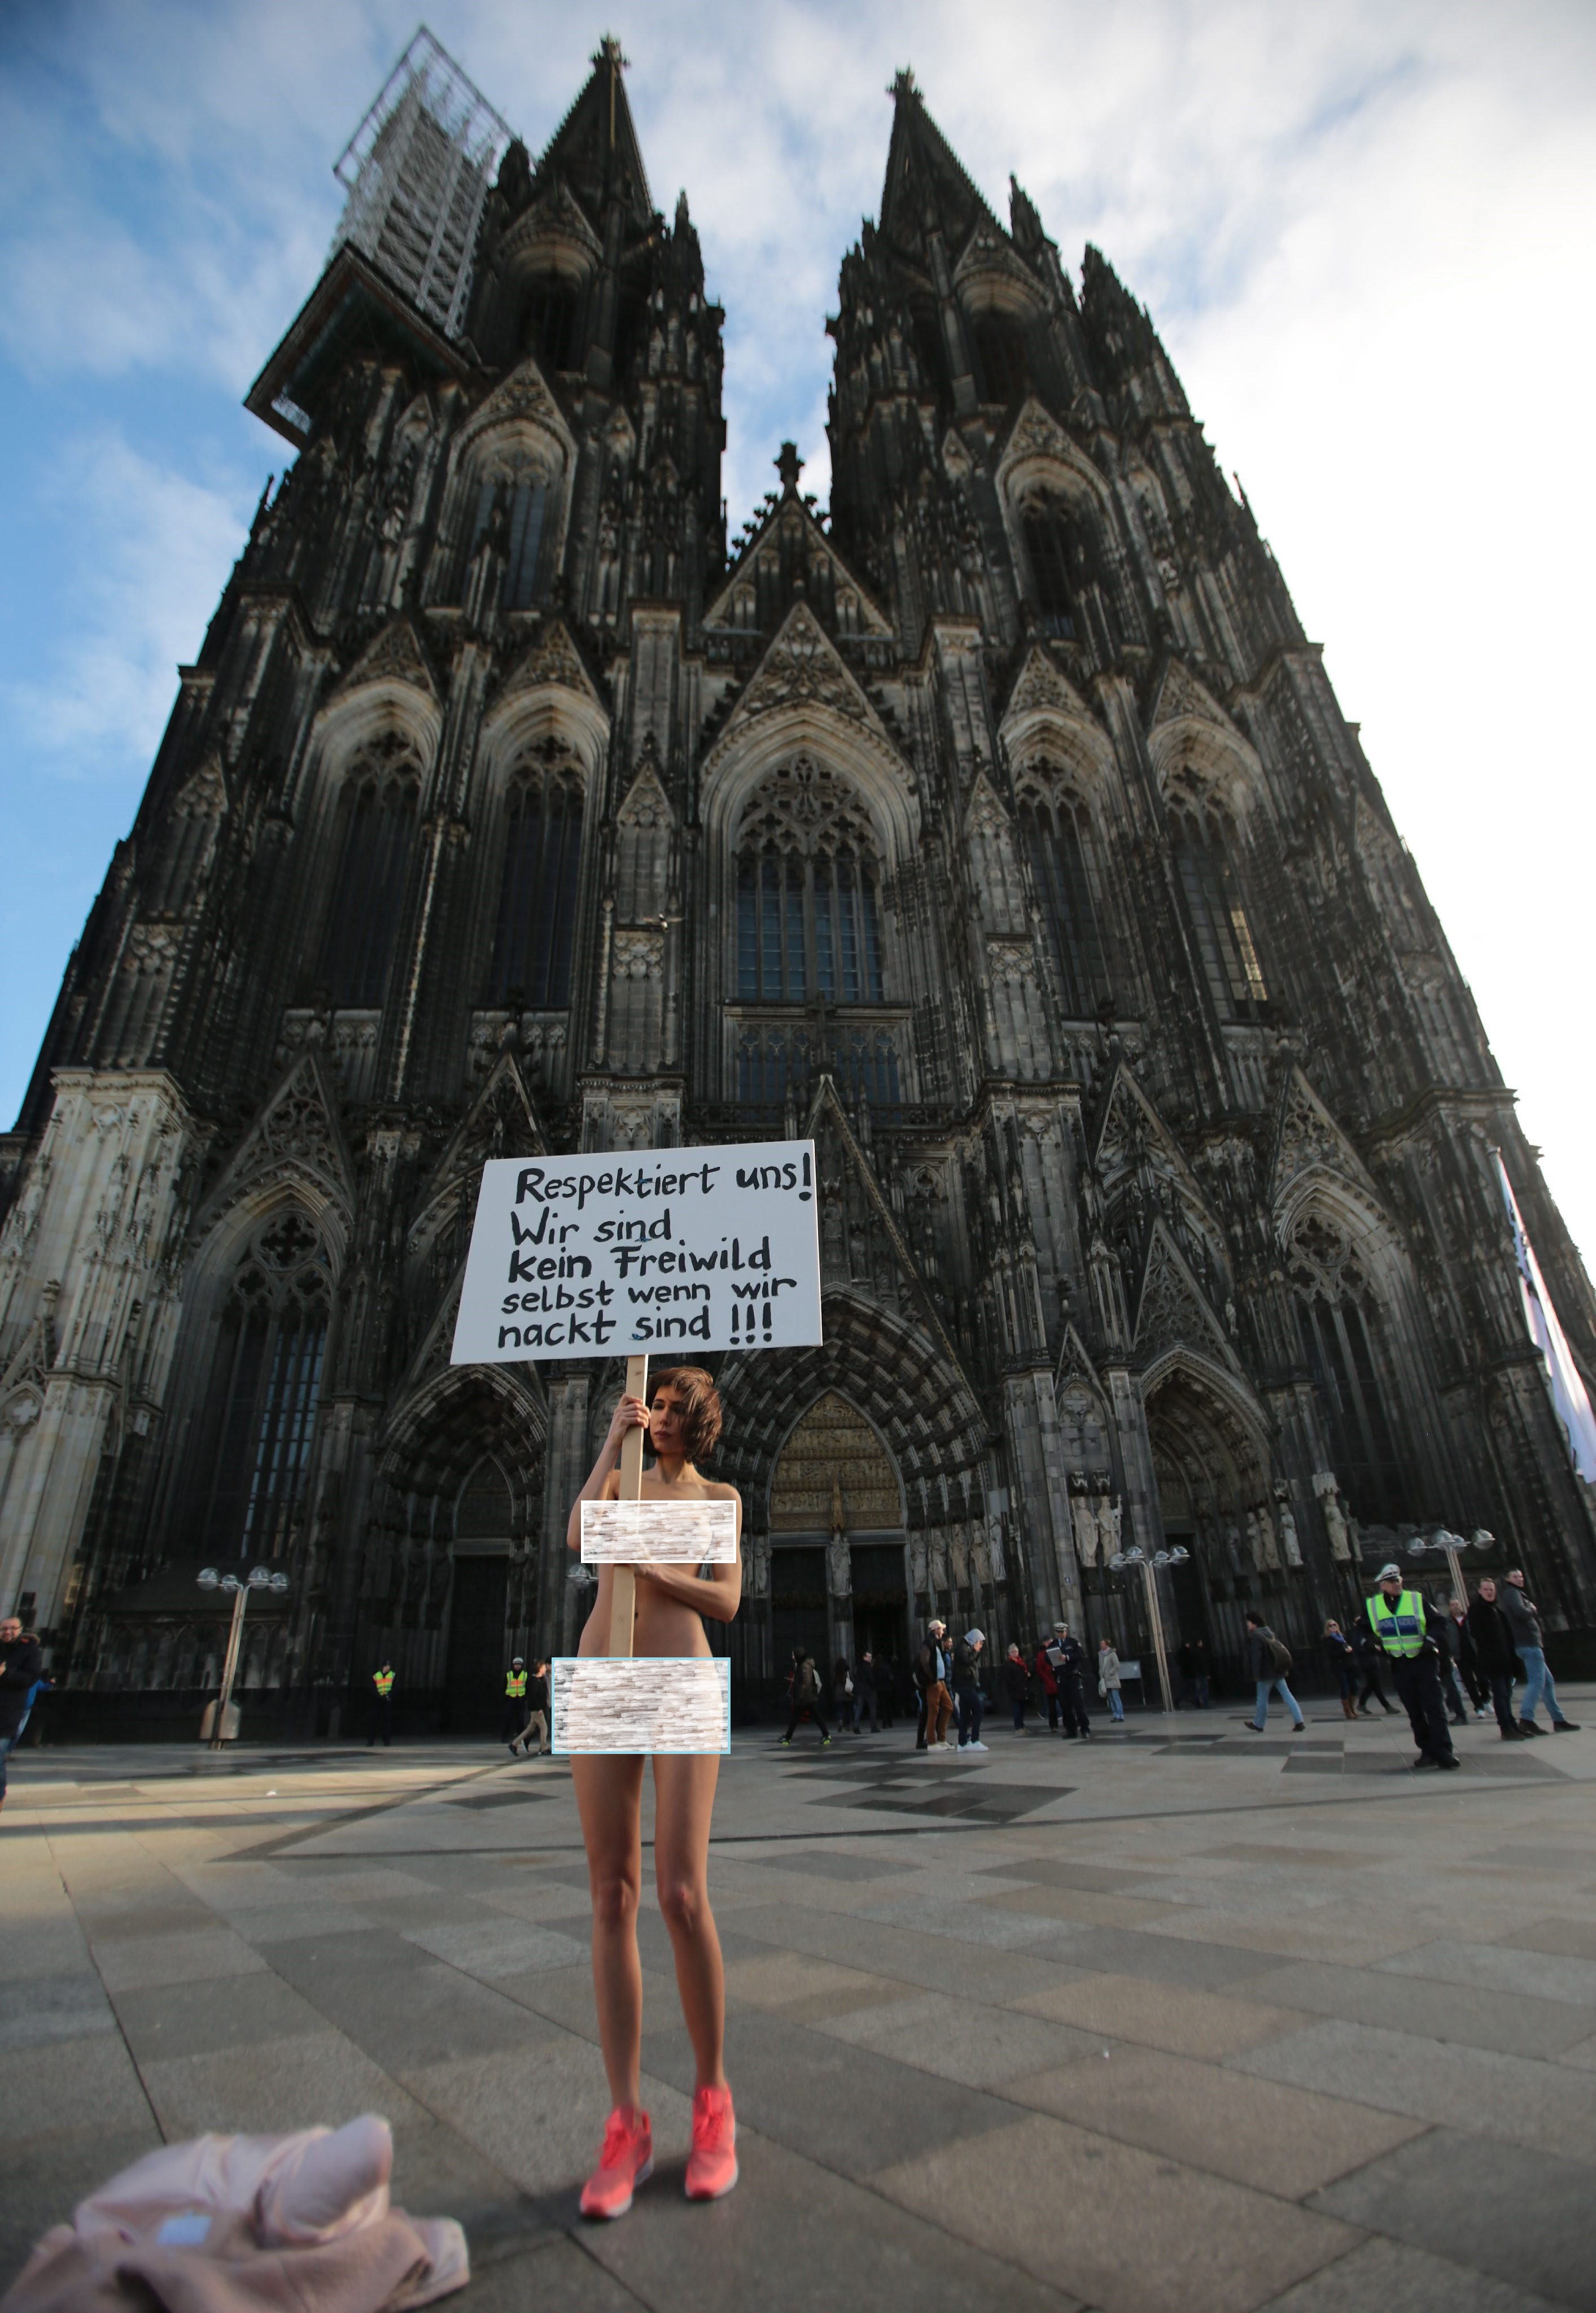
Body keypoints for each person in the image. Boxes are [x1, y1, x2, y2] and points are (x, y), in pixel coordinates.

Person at [565, 1365, 743, 2217]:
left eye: (675, 1409)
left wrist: (656, 1573)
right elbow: (578, 1537)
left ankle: (712, 2104)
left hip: (681, 1678)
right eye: (655, 1405)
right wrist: (610, 1438)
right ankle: (625, 2120)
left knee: (679, 1893)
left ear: (699, 1422)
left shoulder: (717, 1494)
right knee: (609, 1896)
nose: (661, 1417)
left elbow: (729, 1599)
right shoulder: (620, 1479)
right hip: (601, 1675)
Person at [1365, 1562, 1457, 1770]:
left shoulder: (1416, 1599)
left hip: (1423, 1660)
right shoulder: (1373, 1606)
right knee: (1415, 1711)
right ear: (1382, 1585)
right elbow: (1360, 1630)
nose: (1396, 1584)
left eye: (1398, 1580)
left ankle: (1444, 1752)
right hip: (1399, 1663)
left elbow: (1439, 1622)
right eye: (1391, 1581)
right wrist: (1367, 1642)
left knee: (1434, 1708)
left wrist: (1431, 1641)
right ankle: (1427, 1751)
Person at [1498, 1568, 1580, 1735]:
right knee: (1537, 1681)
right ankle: (1527, 1719)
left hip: (1528, 1643)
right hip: (1528, 1644)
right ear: (1508, 1579)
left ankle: (1558, 1720)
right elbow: (1521, 1613)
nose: (1520, 1579)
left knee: (1547, 1682)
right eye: (1515, 1577)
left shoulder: (1513, 1593)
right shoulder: (1512, 1593)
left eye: (1521, 1576)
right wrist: (1532, 1609)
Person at [1467, 1579, 1529, 1739]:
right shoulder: (1476, 1610)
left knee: (1507, 1693)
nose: (1489, 1592)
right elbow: (1477, 1633)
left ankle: (1512, 1724)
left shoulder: (1498, 1610)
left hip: (1506, 1658)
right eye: (1486, 1589)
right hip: (1493, 1659)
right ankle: (1506, 1728)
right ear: (1480, 1591)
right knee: (1500, 1694)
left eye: (1492, 1589)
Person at [0, 1614, 42, 1813]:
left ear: (20, 1630)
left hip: (8, 1712)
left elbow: (31, 1678)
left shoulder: (29, 1650)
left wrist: (5, 1674)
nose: (7, 1632)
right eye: (4, 1629)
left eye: (12, 1629)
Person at [1243, 1613, 1305, 1732]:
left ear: (1254, 1624)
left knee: (1262, 1698)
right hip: (1278, 1671)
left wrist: (1255, 1674)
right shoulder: (1270, 1633)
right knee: (1288, 1696)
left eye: (1249, 1622)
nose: (1247, 1624)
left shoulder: (1256, 1636)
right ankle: (1299, 1721)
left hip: (1266, 1673)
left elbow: (1256, 1657)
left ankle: (1259, 1724)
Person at [1446, 1598, 1489, 1717]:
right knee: (1469, 1683)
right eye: (1453, 1605)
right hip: (1460, 1656)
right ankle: (1479, 1706)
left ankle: (1485, 1699)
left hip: (1474, 1652)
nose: (1455, 1606)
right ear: (1449, 1607)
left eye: (1457, 1604)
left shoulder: (1469, 1618)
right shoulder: (1448, 1622)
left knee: (1483, 1679)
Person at [916, 1620, 955, 1751]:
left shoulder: (937, 1643)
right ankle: (932, 1742)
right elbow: (924, 1661)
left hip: (941, 1681)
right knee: (933, 1711)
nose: (943, 1631)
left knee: (949, 1707)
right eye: (941, 1629)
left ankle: (942, 1739)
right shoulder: (928, 1642)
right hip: (934, 1683)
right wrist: (932, 1678)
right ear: (935, 1630)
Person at [782, 1648, 833, 1747]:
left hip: (805, 1698)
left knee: (795, 1718)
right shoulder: (802, 1665)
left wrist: (800, 1695)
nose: (793, 1657)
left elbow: (806, 1682)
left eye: (794, 1655)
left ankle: (788, 1738)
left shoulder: (804, 1666)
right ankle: (826, 1735)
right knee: (815, 1717)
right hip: (807, 1698)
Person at [1432, 1605, 1471, 1728]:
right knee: (1448, 1687)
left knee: (1450, 1687)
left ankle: (1460, 1713)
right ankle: (1452, 1707)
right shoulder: (1439, 1625)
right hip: (1441, 1660)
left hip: (1441, 1661)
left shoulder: (1437, 1627)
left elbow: (1444, 1643)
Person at [952, 1628, 988, 1752]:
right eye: (980, 1642)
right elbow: (968, 1661)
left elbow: (971, 1661)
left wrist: (975, 1651)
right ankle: (974, 1740)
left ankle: (962, 1743)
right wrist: (975, 1650)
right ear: (975, 1640)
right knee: (979, 1709)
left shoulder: (965, 1647)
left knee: (965, 1715)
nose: (981, 1645)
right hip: (965, 1685)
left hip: (966, 1684)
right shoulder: (963, 1647)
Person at [1053, 1624, 1091, 1739]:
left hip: (1073, 1677)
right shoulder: (1054, 1644)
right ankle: (1071, 1730)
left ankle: (1085, 1729)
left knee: (1078, 1705)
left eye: (1062, 1632)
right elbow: (1046, 1657)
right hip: (1062, 1678)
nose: (1060, 1634)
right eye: (1058, 1632)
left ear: (1066, 1632)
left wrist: (1067, 1657)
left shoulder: (1073, 1642)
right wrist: (1052, 1659)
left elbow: (1080, 1655)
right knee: (1066, 1706)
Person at [1351, 1620, 1397, 1716]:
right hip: (1366, 1662)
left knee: (1372, 1685)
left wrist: (1375, 1647)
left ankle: (1362, 1704)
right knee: (1376, 1685)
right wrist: (1372, 1648)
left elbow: (1374, 1641)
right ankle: (1387, 1706)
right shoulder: (1357, 1633)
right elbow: (1359, 1648)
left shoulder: (1366, 1632)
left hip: (1373, 1661)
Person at [513, 1660, 550, 1757]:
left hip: (538, 1708)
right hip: (536, 1709)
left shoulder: (539, 1680)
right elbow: (533, 1696)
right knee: (544, 1727)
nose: (545, 1669)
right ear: (540, 1669)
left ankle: (514, 1744)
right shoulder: (534, 1681)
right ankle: (544, 1748)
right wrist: (539, 1709)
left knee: (530, 1729)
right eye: (544, 1667)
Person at [1324, 1620, 1357, 1721]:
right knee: (1345, 1687)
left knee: (1354, 1686)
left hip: (1348, 1665)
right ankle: (1348, 1711)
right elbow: (1331, 1654)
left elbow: (1348, 1649)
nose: (1333, 1627)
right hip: (1338, 1666)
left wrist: (1350, 1651)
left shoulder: (1342, 1637)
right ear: (1328, 1629)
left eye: (1335, 1625)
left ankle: (1352, 1708)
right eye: (1330, 1626)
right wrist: (1344, 1651)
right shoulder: (1328, 1640)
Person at [1033, 1631, 1061, 1731]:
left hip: (1058, 1680)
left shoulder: (1056, 1651)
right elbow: (1040, 1669)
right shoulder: (1041, 1655)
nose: (1049, 1643)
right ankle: (1054, 1726)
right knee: (1052, 1706)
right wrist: (1046, 1678)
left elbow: (1060, 1665)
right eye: (1047, 1641)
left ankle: (1068, 1723)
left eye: (1050, 1641)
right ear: (1044, 1643)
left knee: (1064, 1703)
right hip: (1049, 1682)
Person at [1003, 1642, 1031, 1731]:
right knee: (1017, 1710)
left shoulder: (1021, 1662)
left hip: (1023, 1689)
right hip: (1015, 1690)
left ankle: (1022, 1725)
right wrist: (1013, 1684)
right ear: (1009, 1653)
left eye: (1016, 1651)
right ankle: (1018, 1727)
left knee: (1023, 1709)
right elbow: (1007, 1677)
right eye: (1012, 1652)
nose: (1015, 1653)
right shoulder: (1008, 1663)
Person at [502, 1657, 529, 1748]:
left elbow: (527, 1687)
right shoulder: (509, 1675)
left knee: (520, 1720)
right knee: (508, 1718)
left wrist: (526, 1698)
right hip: (511, 1699)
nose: (518, 1666)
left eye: (519, 1665)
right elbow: (504, 1686)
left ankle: (521, 1738)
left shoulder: (525, 1675)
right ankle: (505, 1737)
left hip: (521, 1699)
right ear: (513, 1665)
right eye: (516, 1665)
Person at [1177, 1635, 1210, 1709]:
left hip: (1193, 1673)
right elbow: (1202, 1663)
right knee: (1203, 1688)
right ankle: (1202, 1703)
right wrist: (1206, 1673)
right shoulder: (1197, 1652)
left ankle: (1195, 1699)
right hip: (1194, 1673)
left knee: (1198, 1688)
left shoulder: (1191, 1652)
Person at [1096, 1636, 1125, 1723]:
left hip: (1112, 1679)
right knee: (1111, 1699)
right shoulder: (1101, 1655)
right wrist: (1101, 1674)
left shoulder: (1112, 1654)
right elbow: (1101, 1666)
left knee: (1116, 1698)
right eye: (1101, 1644)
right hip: (1105, 1680)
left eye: (1103, 1644)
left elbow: (1117, 1665)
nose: (1101, 1645)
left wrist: (1110, 1672)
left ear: (1107, 1644)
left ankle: (1120, 1715)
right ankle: (1115, 1715)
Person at [366, 1662, 395, 1747]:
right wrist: (378, 1696)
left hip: (387, 1700)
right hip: (378, 1701)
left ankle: (387, 1742)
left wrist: (389, 1695)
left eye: (389, 1666)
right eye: (386, 1666)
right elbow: (372, 1688)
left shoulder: (392, 1675)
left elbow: (395, 1687)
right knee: (373, 1721)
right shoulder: (377, 1676)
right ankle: (370, 1741)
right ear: (383, 1667)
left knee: (387, 1722)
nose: (388, 1668)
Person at [852, 1650, 880, 1733]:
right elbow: (871, 1679)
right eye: (869, 1657)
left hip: (860, 1690)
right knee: (872, 1708)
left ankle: (856, 1726)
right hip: (868, 1690)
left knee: (859, 1708)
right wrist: (873, 1688)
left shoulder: (860, 1667)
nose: (871, 1658)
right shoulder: (868, 1667)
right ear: (864, 1657)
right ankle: (874, 1727)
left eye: (871, 1657)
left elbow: (856, 1679)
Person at [832, 1657, 857, 1732]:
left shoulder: (835, 1673)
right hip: (847, 1694)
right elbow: (852, 1681)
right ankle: (848, 1725)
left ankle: (840, 1721)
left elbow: (833, 1684)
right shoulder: (847, 1673)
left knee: (840, 1710)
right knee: (848, 1711)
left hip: (838, 1694)